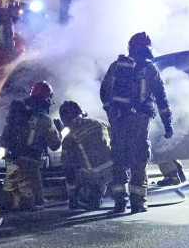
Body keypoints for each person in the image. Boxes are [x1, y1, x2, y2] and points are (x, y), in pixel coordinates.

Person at [100, 32, 173, 214]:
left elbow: (104, 91)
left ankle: (119, 203)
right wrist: (168, 125)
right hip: (139, 122)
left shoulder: (116, 66)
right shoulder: (150, 70)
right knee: (139, 160)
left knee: (119, 160)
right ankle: (138, 202)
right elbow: (162, 99)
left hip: (118, 121)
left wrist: (112, 113)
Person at [0, 80, 62, 211]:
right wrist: (59, 130)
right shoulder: (45, 119)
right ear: (47, 99)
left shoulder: (18, 114)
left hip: (12, 164)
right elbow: (55, 145)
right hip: (30, 167)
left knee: (9, 200)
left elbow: (4, 140)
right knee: (35, 203)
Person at [59, 100, 112, 211]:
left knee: (71, 167)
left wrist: (72, 194)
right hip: (114, 169)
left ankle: (82, 198)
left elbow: (66, 164)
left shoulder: (68, 139)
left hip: (93, 175)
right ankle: (117, 194)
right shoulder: (100, 123)